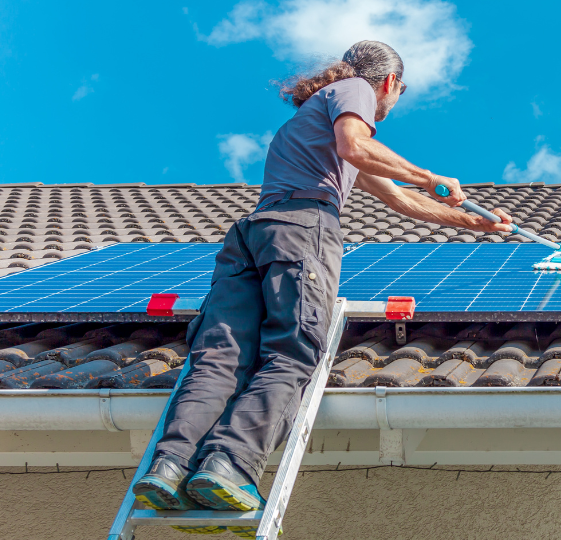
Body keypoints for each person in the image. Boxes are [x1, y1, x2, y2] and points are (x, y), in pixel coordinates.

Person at [131, 40, 513, 525]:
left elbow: (397, 199)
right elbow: (360, 147)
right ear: (389, 83)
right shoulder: (354, 91)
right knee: (292, 351)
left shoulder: (310, 122)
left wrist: (474, 225)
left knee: (221, 358)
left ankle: (169, 467)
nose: (389, 107)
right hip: (301, 229)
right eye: (396, 95)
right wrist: (430, 176)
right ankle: (228, 464)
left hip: (254, 234)